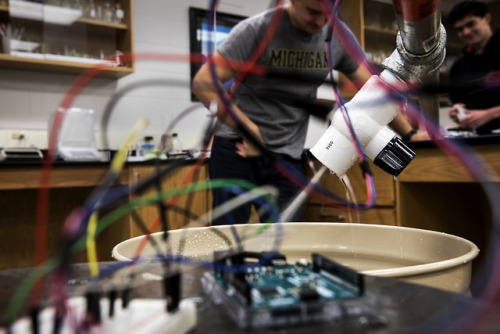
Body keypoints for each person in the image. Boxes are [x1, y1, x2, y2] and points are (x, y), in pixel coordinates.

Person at [192, 0, 424, 225]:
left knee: (288, 241)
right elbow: (203, 84)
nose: (321, 21)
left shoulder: (337, 35)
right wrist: (247, 128)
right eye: (313, 12)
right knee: (231, 241)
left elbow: (374, 90)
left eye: (328, 14)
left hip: (286, 152)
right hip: (238, 147)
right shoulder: (257, 30)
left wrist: (410, 133)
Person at [448, 0, 500, 134]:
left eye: (471, 24)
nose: (466, 32)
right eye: (460, 29)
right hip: (479, 138)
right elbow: (458, 101)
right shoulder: (458, 67)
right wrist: (457, 112)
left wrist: (490, 114)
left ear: (487, 18)